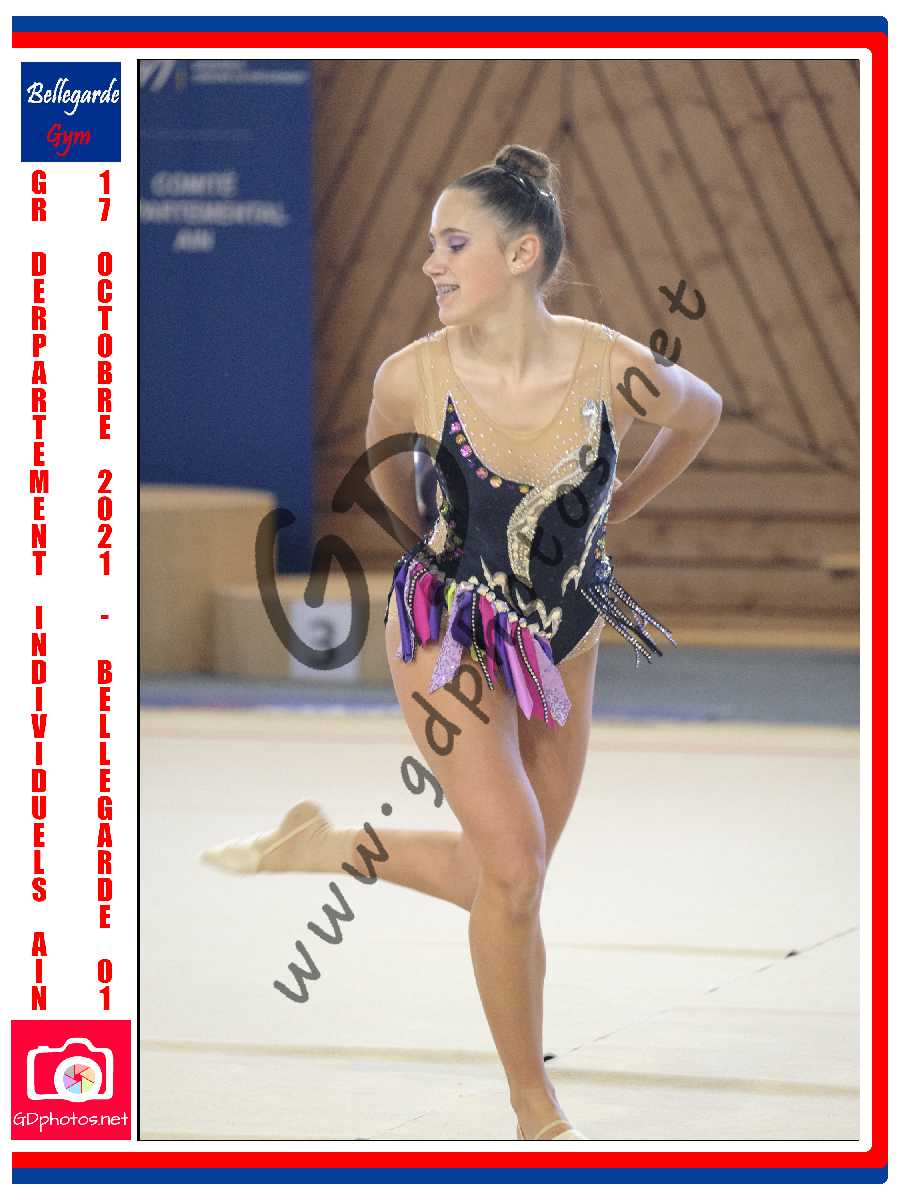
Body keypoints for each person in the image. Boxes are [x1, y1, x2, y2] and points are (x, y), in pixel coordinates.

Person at [201, 144, 722, 1141]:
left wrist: (623, 502)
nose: (430, 265)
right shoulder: (413, 377)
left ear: (521, 254)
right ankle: (535, 1109)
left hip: (566, 638)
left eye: (452, 245)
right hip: (447, 636)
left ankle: (325, 845)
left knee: (505, 879)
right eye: (430, 247)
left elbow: (700, 412)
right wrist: (438, 563)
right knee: (515, 869)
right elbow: (387, 479)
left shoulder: (610, 365)